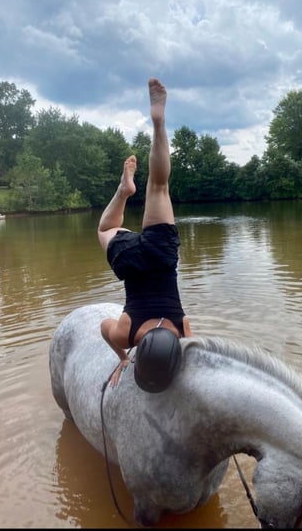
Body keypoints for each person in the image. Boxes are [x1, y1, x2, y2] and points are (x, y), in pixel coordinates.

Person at [97, 78, 192, 390]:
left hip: (160, 255)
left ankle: (158, 124)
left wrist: (122, 359)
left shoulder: (184, 330)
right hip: (131, 262)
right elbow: (105, 327)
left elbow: (101, 327)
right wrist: (124, 353)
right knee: (105, 229)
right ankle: (124, 190)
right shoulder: (125, 334)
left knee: (159, 185)